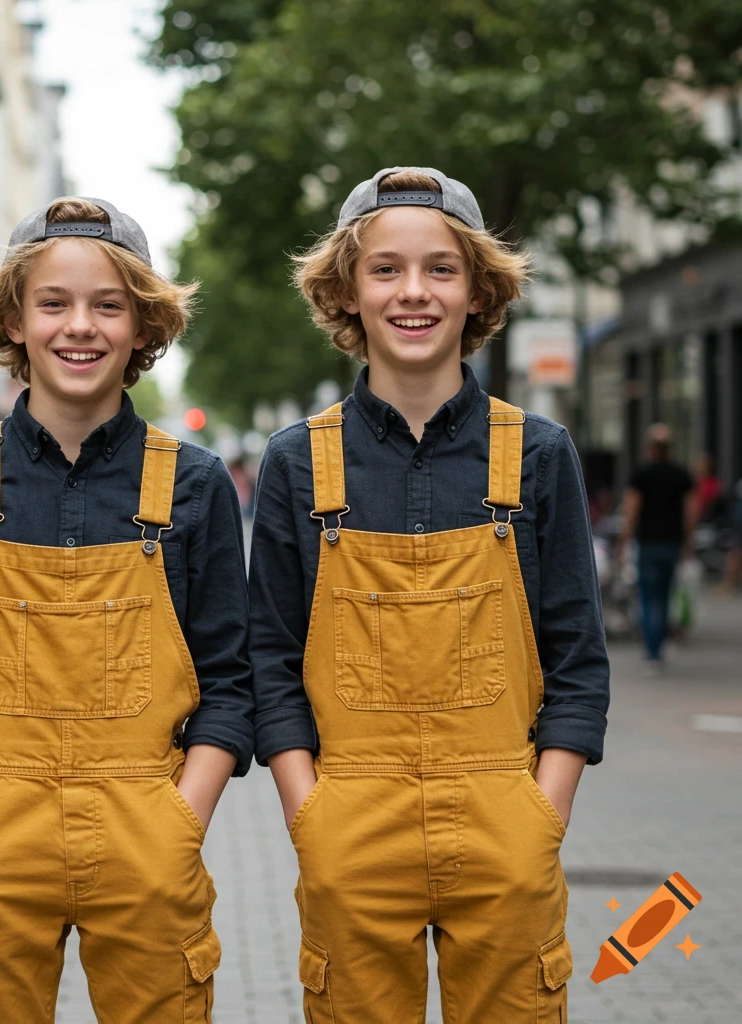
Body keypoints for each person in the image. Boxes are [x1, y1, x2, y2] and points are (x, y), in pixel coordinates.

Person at [0, 197, 253, 1023]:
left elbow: (231, 678)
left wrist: (182, 817)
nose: (80, 327)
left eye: (108, 305)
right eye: (54, 303)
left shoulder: (194, 484)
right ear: (12, 316)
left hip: (149, 834)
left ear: (145, 326)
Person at [249, 167, 609, 1023]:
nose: (414, 292)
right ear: (346, 290)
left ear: (479, 288)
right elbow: (269, 657)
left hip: (505, 828)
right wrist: (313, 820)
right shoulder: (297, 462)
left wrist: (538, 821)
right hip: (351, 829)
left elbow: (577, 659)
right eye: (386, 269)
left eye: (442, 269)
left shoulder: (540, 455)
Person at [619, 423, 695, 667]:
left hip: (648, 542)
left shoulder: (641, 474)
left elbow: (632, 509)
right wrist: (687, 538)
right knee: (665, 594)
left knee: (648, 595)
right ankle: (660, 643)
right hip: (672, 542)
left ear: (650, 448)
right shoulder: (681, 474)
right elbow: (691, 510)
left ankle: (652, 648)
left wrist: (625, 537)